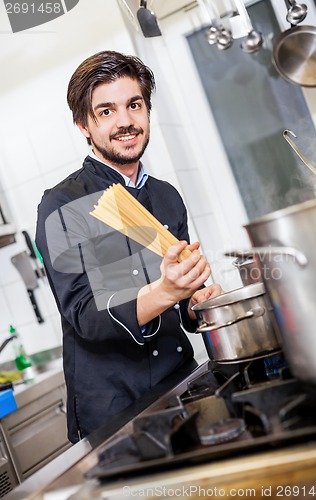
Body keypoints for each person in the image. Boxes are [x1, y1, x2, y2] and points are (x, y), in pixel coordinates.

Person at [35, 50, 222, 444]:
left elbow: (184, 309)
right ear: (84, 125)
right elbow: (84, 315)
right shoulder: (62, 205)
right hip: (115, 411)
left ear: (147, 111)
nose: (125, 121)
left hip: (181, 381)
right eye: (106, 111)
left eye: (134, 105)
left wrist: (195, 302)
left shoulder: (166, 196)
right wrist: (166, 290)